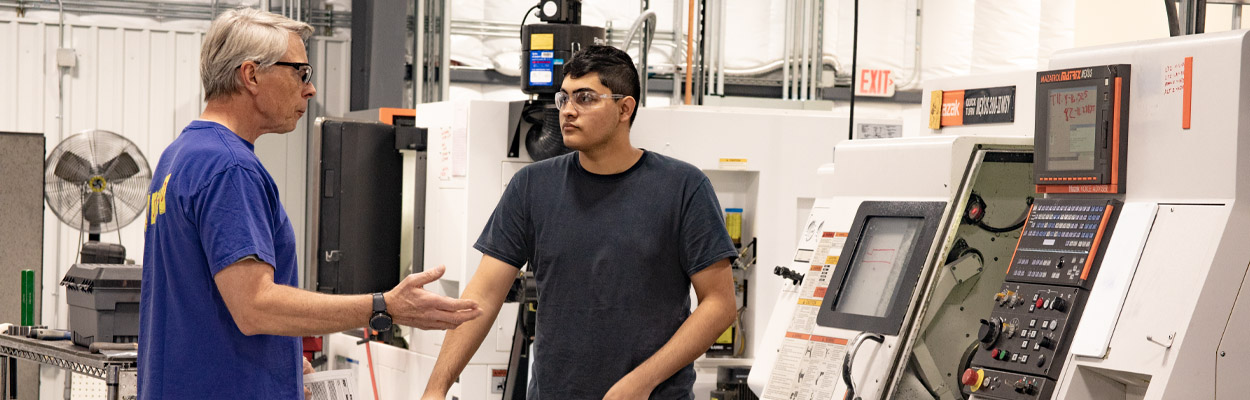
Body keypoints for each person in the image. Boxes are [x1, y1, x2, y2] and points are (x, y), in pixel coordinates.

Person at [139, 8, 481, 399]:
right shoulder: (230, 167)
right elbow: (255, 306)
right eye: (300, 72)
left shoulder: (179, 155)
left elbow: (205, 301)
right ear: (251, 75)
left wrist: (278, 355)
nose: (310, 88)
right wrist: (383, 306)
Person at [422, 45, 740, 399]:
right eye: (564, 98)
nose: (568, 111)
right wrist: (436, 388)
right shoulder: (532, 186)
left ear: (625, 108)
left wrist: (641, 382)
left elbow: (719, 304)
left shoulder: (683, 188)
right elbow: (482, 295)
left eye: (585, 98)